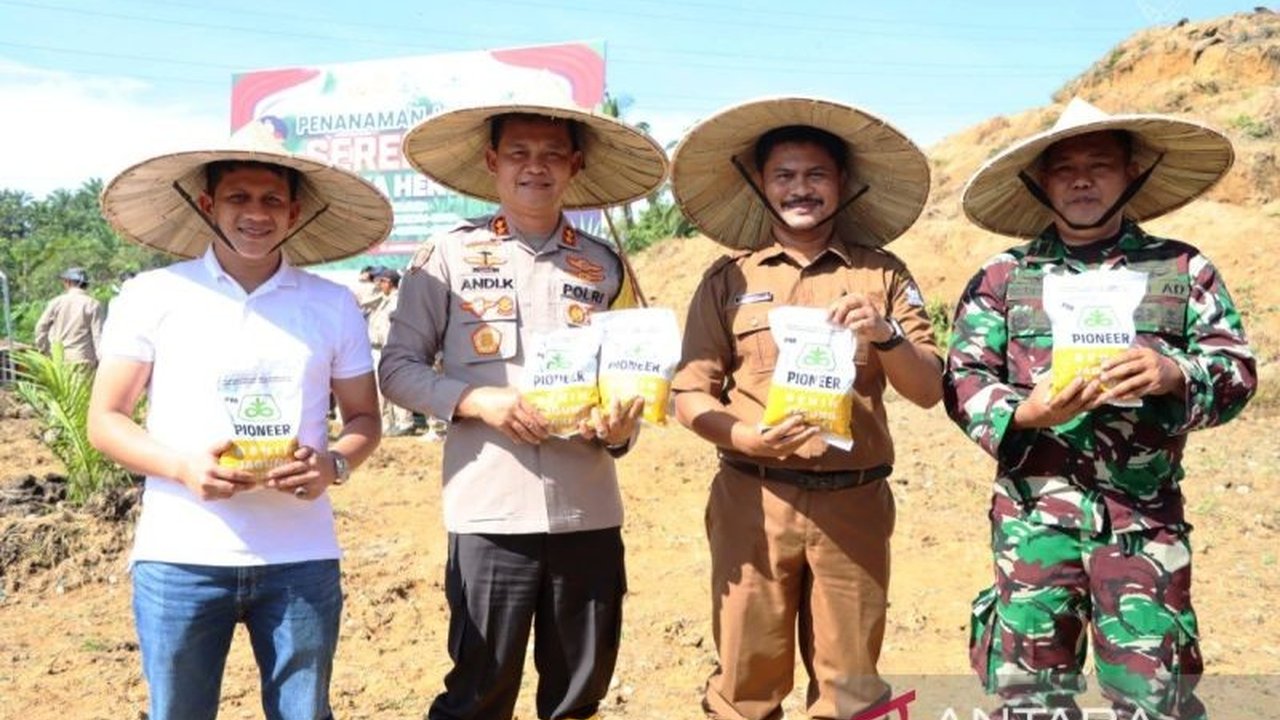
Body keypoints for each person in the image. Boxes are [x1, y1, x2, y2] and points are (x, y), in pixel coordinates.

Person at [945, 98, 1256, 719]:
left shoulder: (1181, 270)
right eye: (1064, 168)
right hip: (1032, 525)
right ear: (1040, 182)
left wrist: (1175, 373)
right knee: (1029, 698)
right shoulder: (1006, 277)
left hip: (1142, 523)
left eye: (1100, 164)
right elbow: (963, 379)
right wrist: (1025, 412)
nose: (1082, 179)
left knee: (1152, 698)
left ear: (1132, 172)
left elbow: (1237, 369)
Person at [379, 101, 667, 720]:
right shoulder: (447, 257)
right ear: (492, 163)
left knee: (576, 692)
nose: (535, 167)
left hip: (586, 508)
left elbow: (629, 380)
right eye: (518, 153)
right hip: (489, 511)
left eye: (552, 154)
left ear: (575, 165)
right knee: (480, 690)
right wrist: (476, 399)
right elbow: (397, 369)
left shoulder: (606, 264)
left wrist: (620, 430)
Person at [88, 140, 394, 720]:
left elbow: (364, 418)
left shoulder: (331, 304)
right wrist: (183, 467)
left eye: (272, 199)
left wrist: (333, 465)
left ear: (294, 212)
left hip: (300, 557)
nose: (256, 212)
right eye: (238, 196)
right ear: (207, 203)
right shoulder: (153, 295)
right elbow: (105, 418)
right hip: (180, 555)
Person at [668, 97, 943, 720]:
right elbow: (688, 394)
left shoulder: (883, 276)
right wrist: (746, 437)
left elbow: (928, 389)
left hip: (855, 504)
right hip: (752, 499)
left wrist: (887, 335)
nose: (801, 189)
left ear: (842, 184)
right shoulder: (727, 280)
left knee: (850, 688)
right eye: (784, 175)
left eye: (816, 174)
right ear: (761, 185)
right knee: (744, 684)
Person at [367, 267, 415, 436]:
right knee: (382, 389)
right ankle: (388, 423)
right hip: (378, 348)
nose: (378, 285)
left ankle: (405, 422)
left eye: (381, 281)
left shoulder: (397, 301)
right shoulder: (383, 300)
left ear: (389, 282)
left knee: (397, 386)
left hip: (392, 348)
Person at [34, 266, 104, 368]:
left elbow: (40, 328)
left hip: (59, 361)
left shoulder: (56, 302)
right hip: (83, 359)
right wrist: (101, 361)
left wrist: (44, 351)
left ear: (68, 282)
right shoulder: (93, 304)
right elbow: (98, 336)